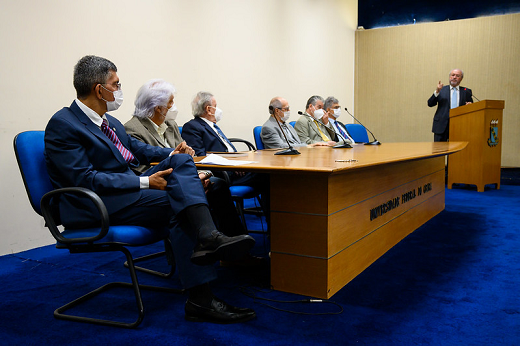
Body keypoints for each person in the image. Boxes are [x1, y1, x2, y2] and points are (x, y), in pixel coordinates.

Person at [44, 55, 256, 324]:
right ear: (100, 89)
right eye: (116, 84)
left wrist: (172, 151)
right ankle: (200, 299)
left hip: (125, 192)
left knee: (182, 161)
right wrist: (145, 182)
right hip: (95, 203)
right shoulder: (64, 124)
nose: (119, 90)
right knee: (177, 205)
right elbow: (85, 179)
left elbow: (138, 150)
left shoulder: (110, 122)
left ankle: (208, 236)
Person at [124, 79, 246, 237]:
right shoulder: (133, 129)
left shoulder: (171, 125)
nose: (173, 107)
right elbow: (142, 170)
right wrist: (193, 181)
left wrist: (204, 174)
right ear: (157, 107)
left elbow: (189, 158)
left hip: (187, 179)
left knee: (217, 185)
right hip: (161, 183)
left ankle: (234, 246)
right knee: (210, 189)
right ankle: (210, 243)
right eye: (170, 102)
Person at [181, 91, 269, 225]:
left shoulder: (213, 126)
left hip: (235, 168)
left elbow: (226, 150)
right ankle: (276, 229)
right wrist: (232, 164)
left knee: (270, 173)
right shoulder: (192, 127)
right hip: (224, 173)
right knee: (268, 176)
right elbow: (200, 157)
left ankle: (276, 225)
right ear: (208, 109)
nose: (218, 109)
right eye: (216, 105)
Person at [427, 69, 473, 142]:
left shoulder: (466, 91)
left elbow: (471, 107)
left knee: (456, 151)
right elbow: (430, 104)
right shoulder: (441, 90)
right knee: (439, 150)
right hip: (441, 125)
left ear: (461, 79)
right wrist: (436, 92)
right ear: (449, 77)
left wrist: (470, 105)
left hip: (459, 126)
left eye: (457, 76)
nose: (454, 77)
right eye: (453, 75)